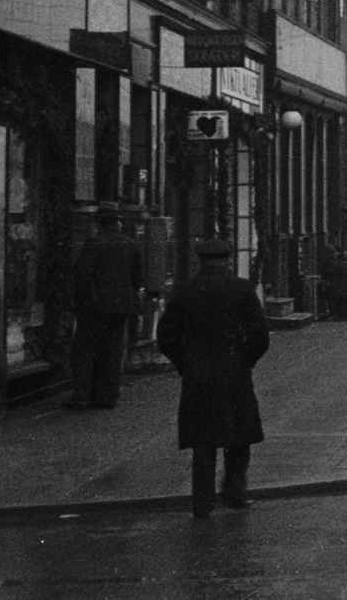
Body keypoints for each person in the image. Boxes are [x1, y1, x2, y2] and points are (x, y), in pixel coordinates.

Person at [156, 237, 270, 518]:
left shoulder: (185, 291)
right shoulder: (242, 290)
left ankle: (202, 502)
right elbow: (260, 335)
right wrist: (246, 360)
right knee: (238, 437)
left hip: (198, 376)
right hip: (234, 373)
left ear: (201, 261)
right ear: (227, 260)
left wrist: (185, 363)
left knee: (203, 442)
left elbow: (166, 336)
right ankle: (235, 493)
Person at [68, 205, 145, 409]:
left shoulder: (94, 244)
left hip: (94, 307)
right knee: (113, 350)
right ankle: (108, 396)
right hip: (121, 307)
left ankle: (82, 395)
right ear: (117, 223)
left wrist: (80, 300)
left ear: (99, 223)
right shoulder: (131, 244)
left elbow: (82, 275)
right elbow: (137, 278)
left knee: (85, 350)